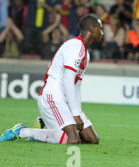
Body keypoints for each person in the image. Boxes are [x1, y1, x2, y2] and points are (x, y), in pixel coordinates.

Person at [0, 14, 104, 144]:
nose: (102, 32)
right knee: (72, 140)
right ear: (93, 29)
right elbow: (67, 81)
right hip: (53, 97)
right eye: (100, 28)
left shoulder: (86, 54)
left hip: (66, 101)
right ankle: (22, 132)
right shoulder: (74, 46)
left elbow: (76, 86)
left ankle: (46, 128)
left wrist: (77, 111)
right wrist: (76, 115)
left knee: (92, 139)